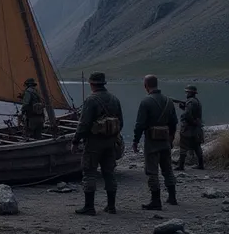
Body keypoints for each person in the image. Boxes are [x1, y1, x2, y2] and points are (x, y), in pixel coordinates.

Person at [71, 72, 123, 215]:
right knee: (109, 173)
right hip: (111, 142)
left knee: (89, 173)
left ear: (91, 84)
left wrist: (75, 141)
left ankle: (89, 207)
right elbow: (121, 123)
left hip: (93, 143)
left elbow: (84, 124)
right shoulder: (115, 99)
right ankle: (111, 207)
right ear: (103, 83)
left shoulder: (91, 100)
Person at [133, 75, 178, 210]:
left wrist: (135, 141)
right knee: (167, 169)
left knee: (152, 171)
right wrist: (171, 138)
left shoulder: (145, 102)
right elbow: (174, 123)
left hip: (152, 142)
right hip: (165, 140)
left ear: (146, 85)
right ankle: (172, 197)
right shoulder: (169, 101)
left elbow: (140, 124)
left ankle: (156, 200)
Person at [175, 85, 204, 170]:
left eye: (187, 92)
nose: (186, 94)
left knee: (183, 146)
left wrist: (188, 120)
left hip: (188, 128)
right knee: (196, 146)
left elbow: (187, 114)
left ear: (190, 93)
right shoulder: (197, 101)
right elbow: (192, 112)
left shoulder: (190, 102)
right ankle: (201, 165)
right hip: (196, 129)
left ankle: (181, 166)